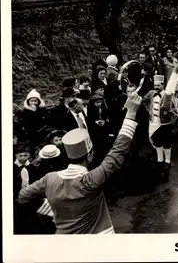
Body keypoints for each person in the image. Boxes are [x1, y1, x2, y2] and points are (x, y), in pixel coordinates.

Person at [18, 92, 142, 234]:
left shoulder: (49, 179)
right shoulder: (90, 180)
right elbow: (118, 151)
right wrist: (131, 112)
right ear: (89, 155)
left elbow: (23, 197)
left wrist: (53, 210)